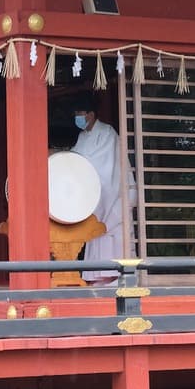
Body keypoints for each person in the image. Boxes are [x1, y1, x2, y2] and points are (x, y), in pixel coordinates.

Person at [70, 95, 134, 283]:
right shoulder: (83, 136)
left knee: (112, 234)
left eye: (80, 113)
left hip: (112, 196)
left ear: (91, 114)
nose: (78, 117)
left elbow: (104, 165)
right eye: (76, 114)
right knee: (95, 236)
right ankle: (97, 275)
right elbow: (77, 158)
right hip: (94, 197)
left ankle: (115, 274)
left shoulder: (107, 133)